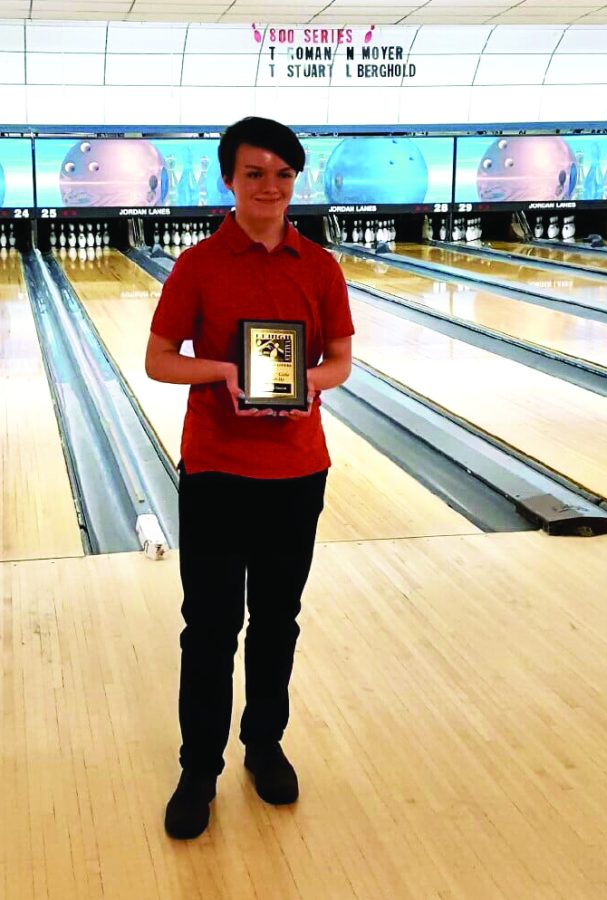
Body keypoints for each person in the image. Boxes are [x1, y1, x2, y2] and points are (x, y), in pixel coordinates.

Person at [145, 117, 354, 840]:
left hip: (297, 470)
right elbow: (159, 359)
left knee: (276, 622)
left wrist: (306, 388)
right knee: (207, 628)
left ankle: (263, 745)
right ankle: (197, 769)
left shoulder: (320, 267)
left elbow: (337, 362)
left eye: (282, 174)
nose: (269, 186)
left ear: (295, 180)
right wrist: (225, 371)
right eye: (255, 173)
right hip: (215, 469)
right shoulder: (198, 264)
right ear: (228, 180)